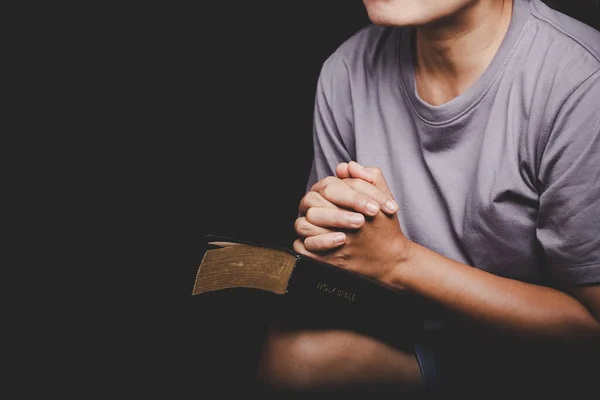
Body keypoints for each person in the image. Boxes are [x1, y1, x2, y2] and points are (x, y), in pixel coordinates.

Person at [256, 0, 600, 397]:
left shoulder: (580, 82)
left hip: (546, 368)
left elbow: (591, 331)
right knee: (295, 359)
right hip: (420, 341)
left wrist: (400, 261)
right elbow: (342, 278)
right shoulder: (348, 69)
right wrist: (329, 239)